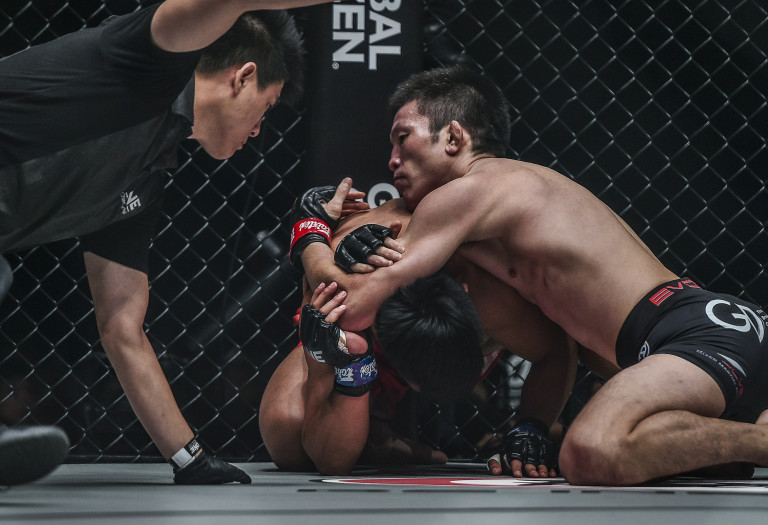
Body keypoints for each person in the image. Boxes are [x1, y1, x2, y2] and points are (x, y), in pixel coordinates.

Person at [294, 65, 768, 485]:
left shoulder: (468, 193)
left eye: (403, 138)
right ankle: (743, 435)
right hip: (705, 335)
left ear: (454, 138)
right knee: (648, 446)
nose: (392, 159)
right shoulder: (510, 194)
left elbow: (352, 304)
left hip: (695, 337)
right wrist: (530, 426)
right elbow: (554, 348)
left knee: (590, 451)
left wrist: (310, 232)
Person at [0, 0, 332, 487]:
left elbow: (122, 327)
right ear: (243, 77)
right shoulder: (145, 63)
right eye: (265, 108)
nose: (258, 130)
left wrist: (190, 458)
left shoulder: (142, 176)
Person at [260, 180, 577, 476]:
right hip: (365, 328)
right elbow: (331, 461)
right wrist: (311, 230)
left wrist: (530, 428)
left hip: (441, 337)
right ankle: (376, 438)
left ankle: (376, 438)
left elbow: (556, 351)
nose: (395, 161)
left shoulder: (495, 295)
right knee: (286, 432)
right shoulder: (356, 290)